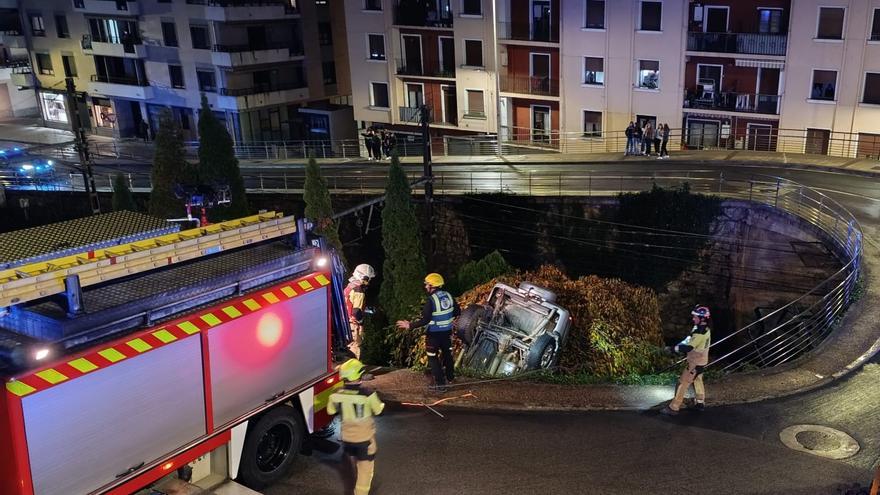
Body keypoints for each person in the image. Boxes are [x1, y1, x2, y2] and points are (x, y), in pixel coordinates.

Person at [327, 359, 385, 495]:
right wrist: (381, 405)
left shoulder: (336, 393)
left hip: (347, 439)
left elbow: (330, 411)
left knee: (355, 460)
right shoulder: (367, 393)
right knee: (365, 471)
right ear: (359, 375)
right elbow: (378, 410)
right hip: (365, 440)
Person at [395, 273, 460, 392]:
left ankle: (441, 385)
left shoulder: (431, 300)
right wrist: (449, 321)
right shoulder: (449, 296)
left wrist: (410, 325)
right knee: (447, 355)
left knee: (433, 358)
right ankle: (450, 378)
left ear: (432, 286)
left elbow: (425, 320)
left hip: (434, 335)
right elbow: (457, 312)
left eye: (427, 285)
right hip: (447, 333)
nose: (425, 287)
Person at [661, 306, 712, 416]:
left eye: (695, 317)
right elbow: (689, 338)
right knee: (698, 380)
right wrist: (679, 344)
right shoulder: (704, 329)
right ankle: (700, 403)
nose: (693, 318)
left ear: (702, 318)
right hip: (702, 362)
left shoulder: (700, 333)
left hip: (695, 362)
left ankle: (674, 407)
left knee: (682, 383)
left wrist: (673, 349)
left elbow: (689, 347)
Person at [345, 264, 375, 358]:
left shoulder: (349, 287)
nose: (369, 281)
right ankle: (354, 372)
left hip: (346, 322)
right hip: (353, 324)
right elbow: (356, 311)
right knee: (355, 349)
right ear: (364, 277)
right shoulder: (359, 291)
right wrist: (361, 323)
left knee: (347, 349)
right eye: (369, 278)